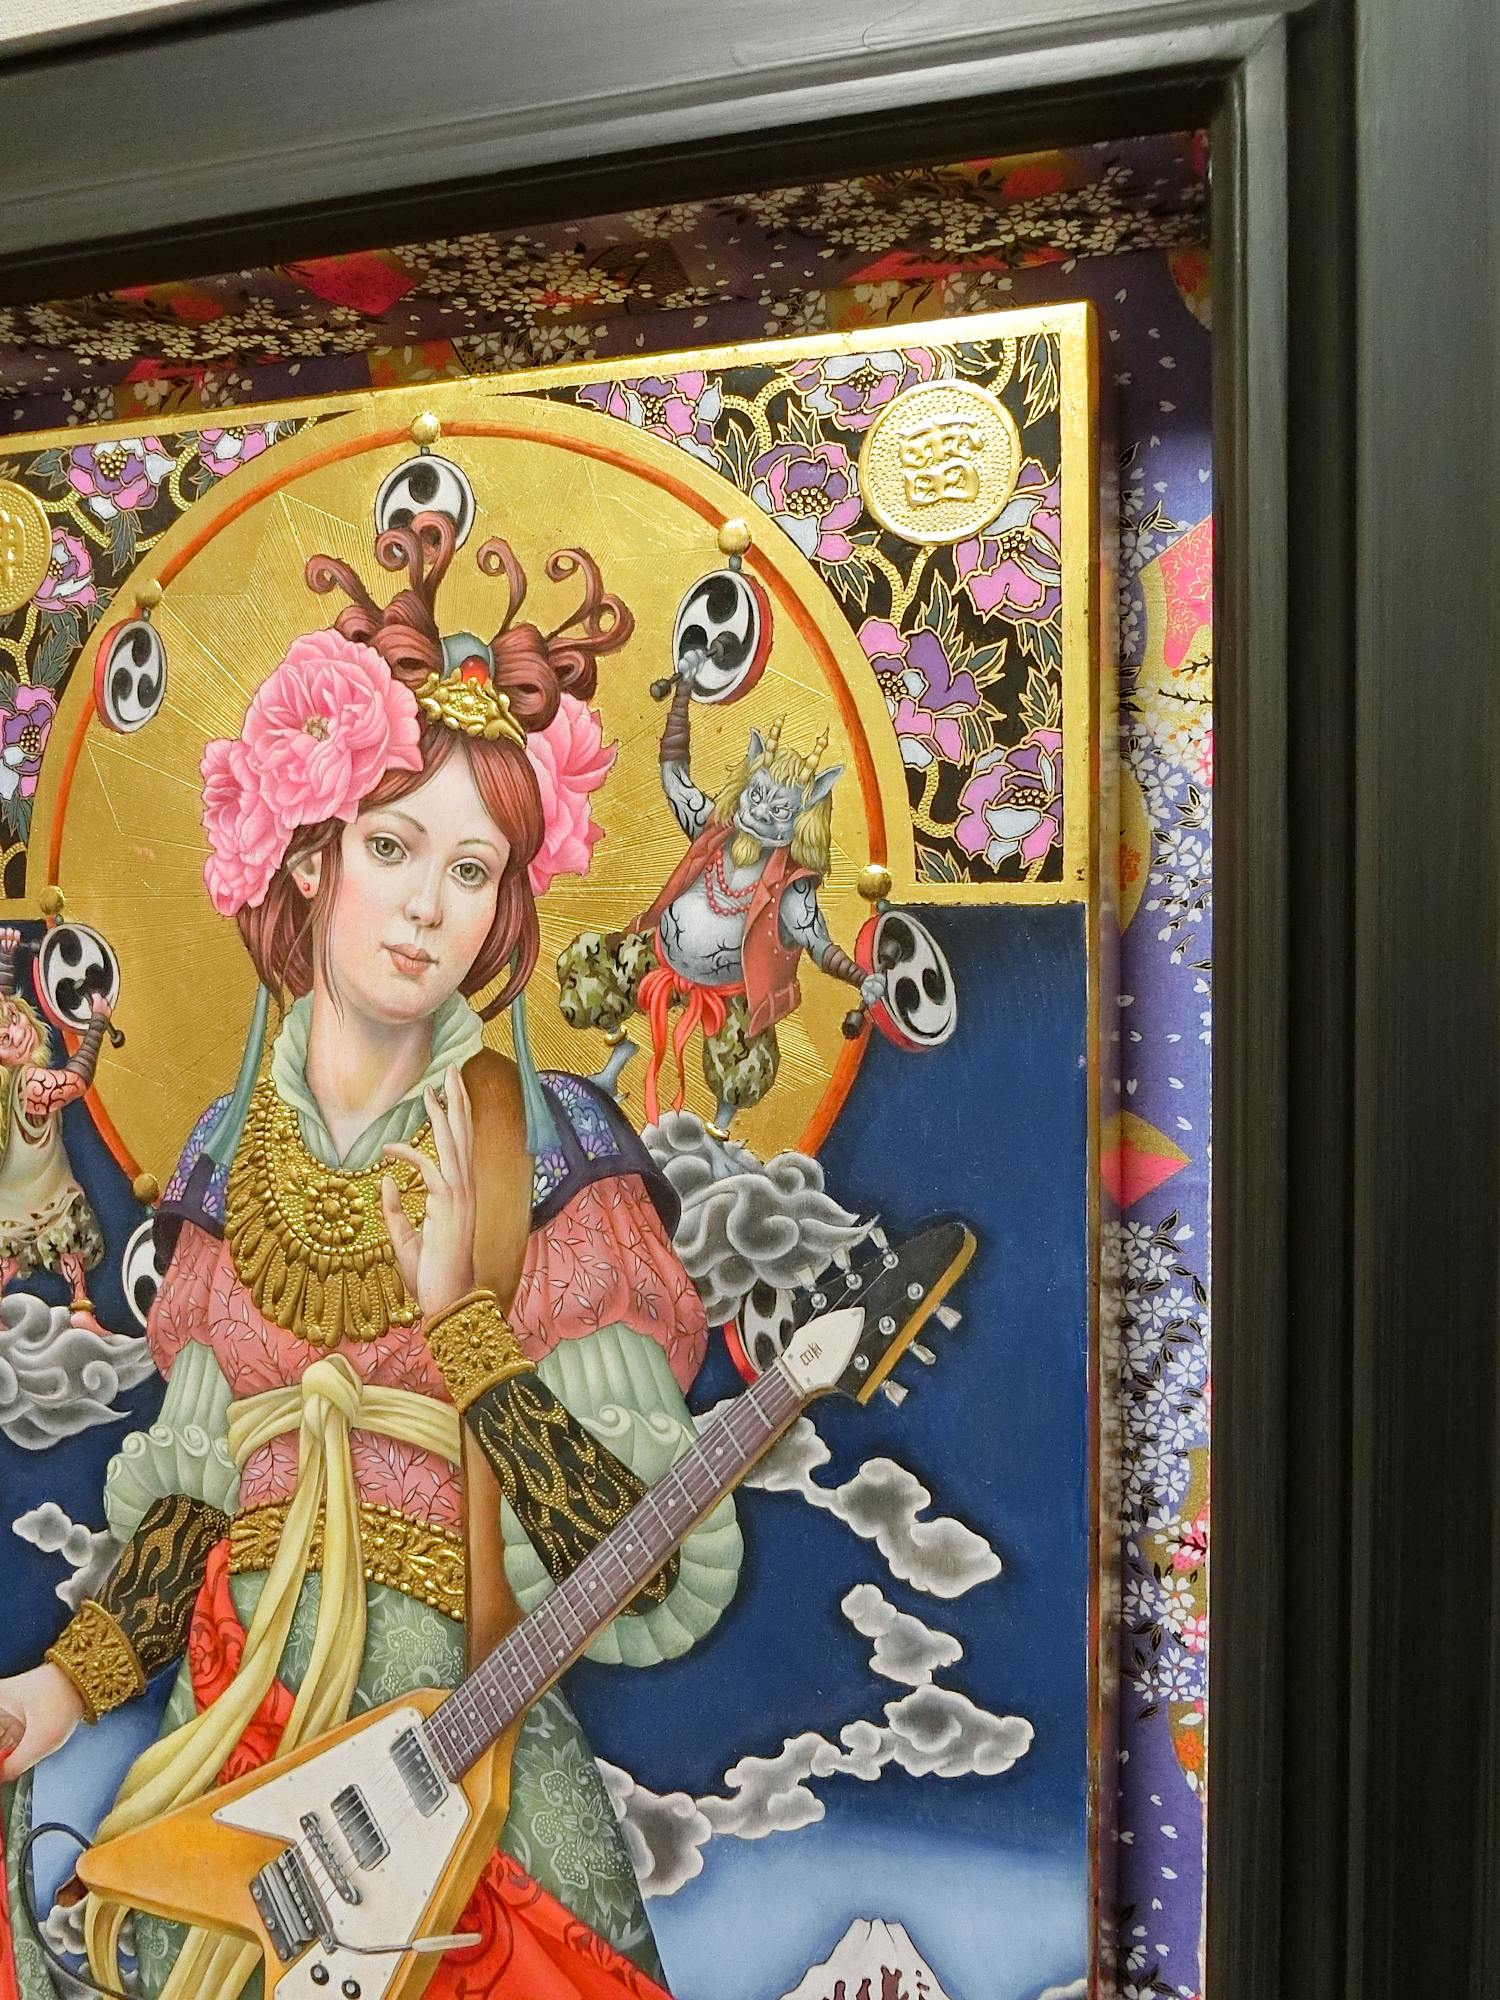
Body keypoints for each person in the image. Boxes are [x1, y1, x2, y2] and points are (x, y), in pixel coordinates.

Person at [0, 511, 740, 2000]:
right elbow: (198, 1495)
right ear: (307, 858)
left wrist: (464, 1327)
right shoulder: (225, 1154)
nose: (426, 907)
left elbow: (638, 1556)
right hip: (241, 1736)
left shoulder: (545, 1145)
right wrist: (65, 1686)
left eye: (473, 869)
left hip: (456, 1757)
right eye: (393, 848)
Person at [0, 924, 111, 1323]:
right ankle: (80, 1308)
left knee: (12, 1252)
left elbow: (1, 1003)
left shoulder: (11, 1081)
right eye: (4, 1039)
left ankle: (77, 1308)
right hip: (45, 1195)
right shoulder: (31, 1083)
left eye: (16, 1020)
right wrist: (97, 1023)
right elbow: (76, 1082)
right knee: (69, 1240)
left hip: (15, 1198)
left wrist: (5, 957)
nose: (16, 1033)